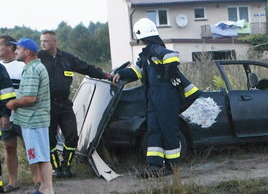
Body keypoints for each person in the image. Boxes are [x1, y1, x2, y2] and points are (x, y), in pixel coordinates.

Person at [111, 18, 194, 178]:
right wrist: (120, 74)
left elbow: (172, 56)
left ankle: (172, 166)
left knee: (168, 130)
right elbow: (137, 72)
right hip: (154, 96)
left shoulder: (156, 48)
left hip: (165, 95)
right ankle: (154, 166)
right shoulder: (146, 54)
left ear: (142, 35)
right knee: (154, 130)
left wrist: (168, 75)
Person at [38, 30, 110, 178]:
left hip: (64, 104)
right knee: (49, 138)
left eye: (45, 41)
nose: (43, 44)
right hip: (47, 105)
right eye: (41, 41)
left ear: (54, 42)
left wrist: (106, 75)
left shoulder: (67, 58)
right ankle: (55, 168)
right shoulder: (38, 58)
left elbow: (87, 68)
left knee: (72, 135)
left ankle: (66, 166)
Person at [5, 38, 57, 194]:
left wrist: (13, 103)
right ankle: (43, 188)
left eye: (18, 49)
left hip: (34, 120)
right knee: (38, 155)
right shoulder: (31, 68)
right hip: (31, 120)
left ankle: (48, 191)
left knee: (41, 156)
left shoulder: (33, 70)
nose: (16, 52)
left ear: (27, 51)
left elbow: (30, 98)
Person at [0, 36, 25, 192]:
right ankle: (13, 182)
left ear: (9, 47)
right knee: (9, 147)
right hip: (5, 116)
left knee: (31, 148)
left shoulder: (21, 66)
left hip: (23, 114)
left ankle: (40, 182)